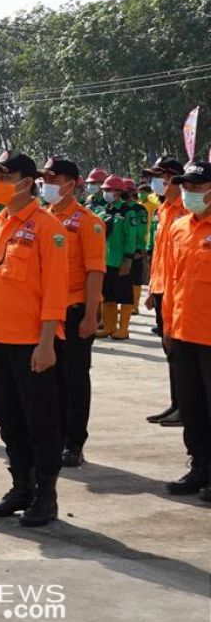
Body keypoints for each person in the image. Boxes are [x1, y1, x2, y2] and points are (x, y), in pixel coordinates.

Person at [0, 151, 67, 527]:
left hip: (32, 342)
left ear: (27, 182)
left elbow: (55, 291)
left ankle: (46, 495)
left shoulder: (47, 227)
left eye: (4, 175)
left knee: (41, 421)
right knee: (8, 417)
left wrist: (47, 343)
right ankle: (21, 487)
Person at [41, 157, 106, 468]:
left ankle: (74, 442)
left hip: (76, 309)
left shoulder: (88, 222)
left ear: (71, 183)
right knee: (50, 379)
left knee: (75, 378)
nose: (48, 185)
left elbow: (95, 272)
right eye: (46, 179)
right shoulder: (43, 218)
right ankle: (56, 437)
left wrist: (91, 315)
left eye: (54, 180)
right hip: (48, 313)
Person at [156, 160, 211, 502]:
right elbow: (172, 281)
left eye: (196, 186)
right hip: (183, 330)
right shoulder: (179, 227)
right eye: (186, 186)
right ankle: (199, 466)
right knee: (191, 406)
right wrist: (168, 326)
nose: (188, 192)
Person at [143, 157, 187, 426]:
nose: (156, 182)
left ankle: (186, 405)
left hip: (177, 290)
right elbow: (160, 254)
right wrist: (152, 288)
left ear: (174, 178)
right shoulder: (165, 209)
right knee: (169, 351)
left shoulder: (184, 210)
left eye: (160, 176)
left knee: (180, 352)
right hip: (161, 288)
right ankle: (177, 403)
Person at [93, 175, 135, 340]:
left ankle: (123, 329)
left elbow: (130, 237)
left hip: (120, 260)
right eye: (105, 190)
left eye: (109, 190)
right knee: (107, 294)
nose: (106, 193)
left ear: (119, 192)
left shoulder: (127, 212)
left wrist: (128, 259)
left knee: (124, 295)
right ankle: (109, 326)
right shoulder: (102, 211)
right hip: (105, 260)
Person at [121, 179, 149, 315]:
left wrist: (139, 249)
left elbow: (141, 231)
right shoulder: (119, 207)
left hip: (135, 249)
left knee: (135, 278)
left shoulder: (139, 209)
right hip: (121, 249)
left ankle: (134, 305)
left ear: (132, 192)